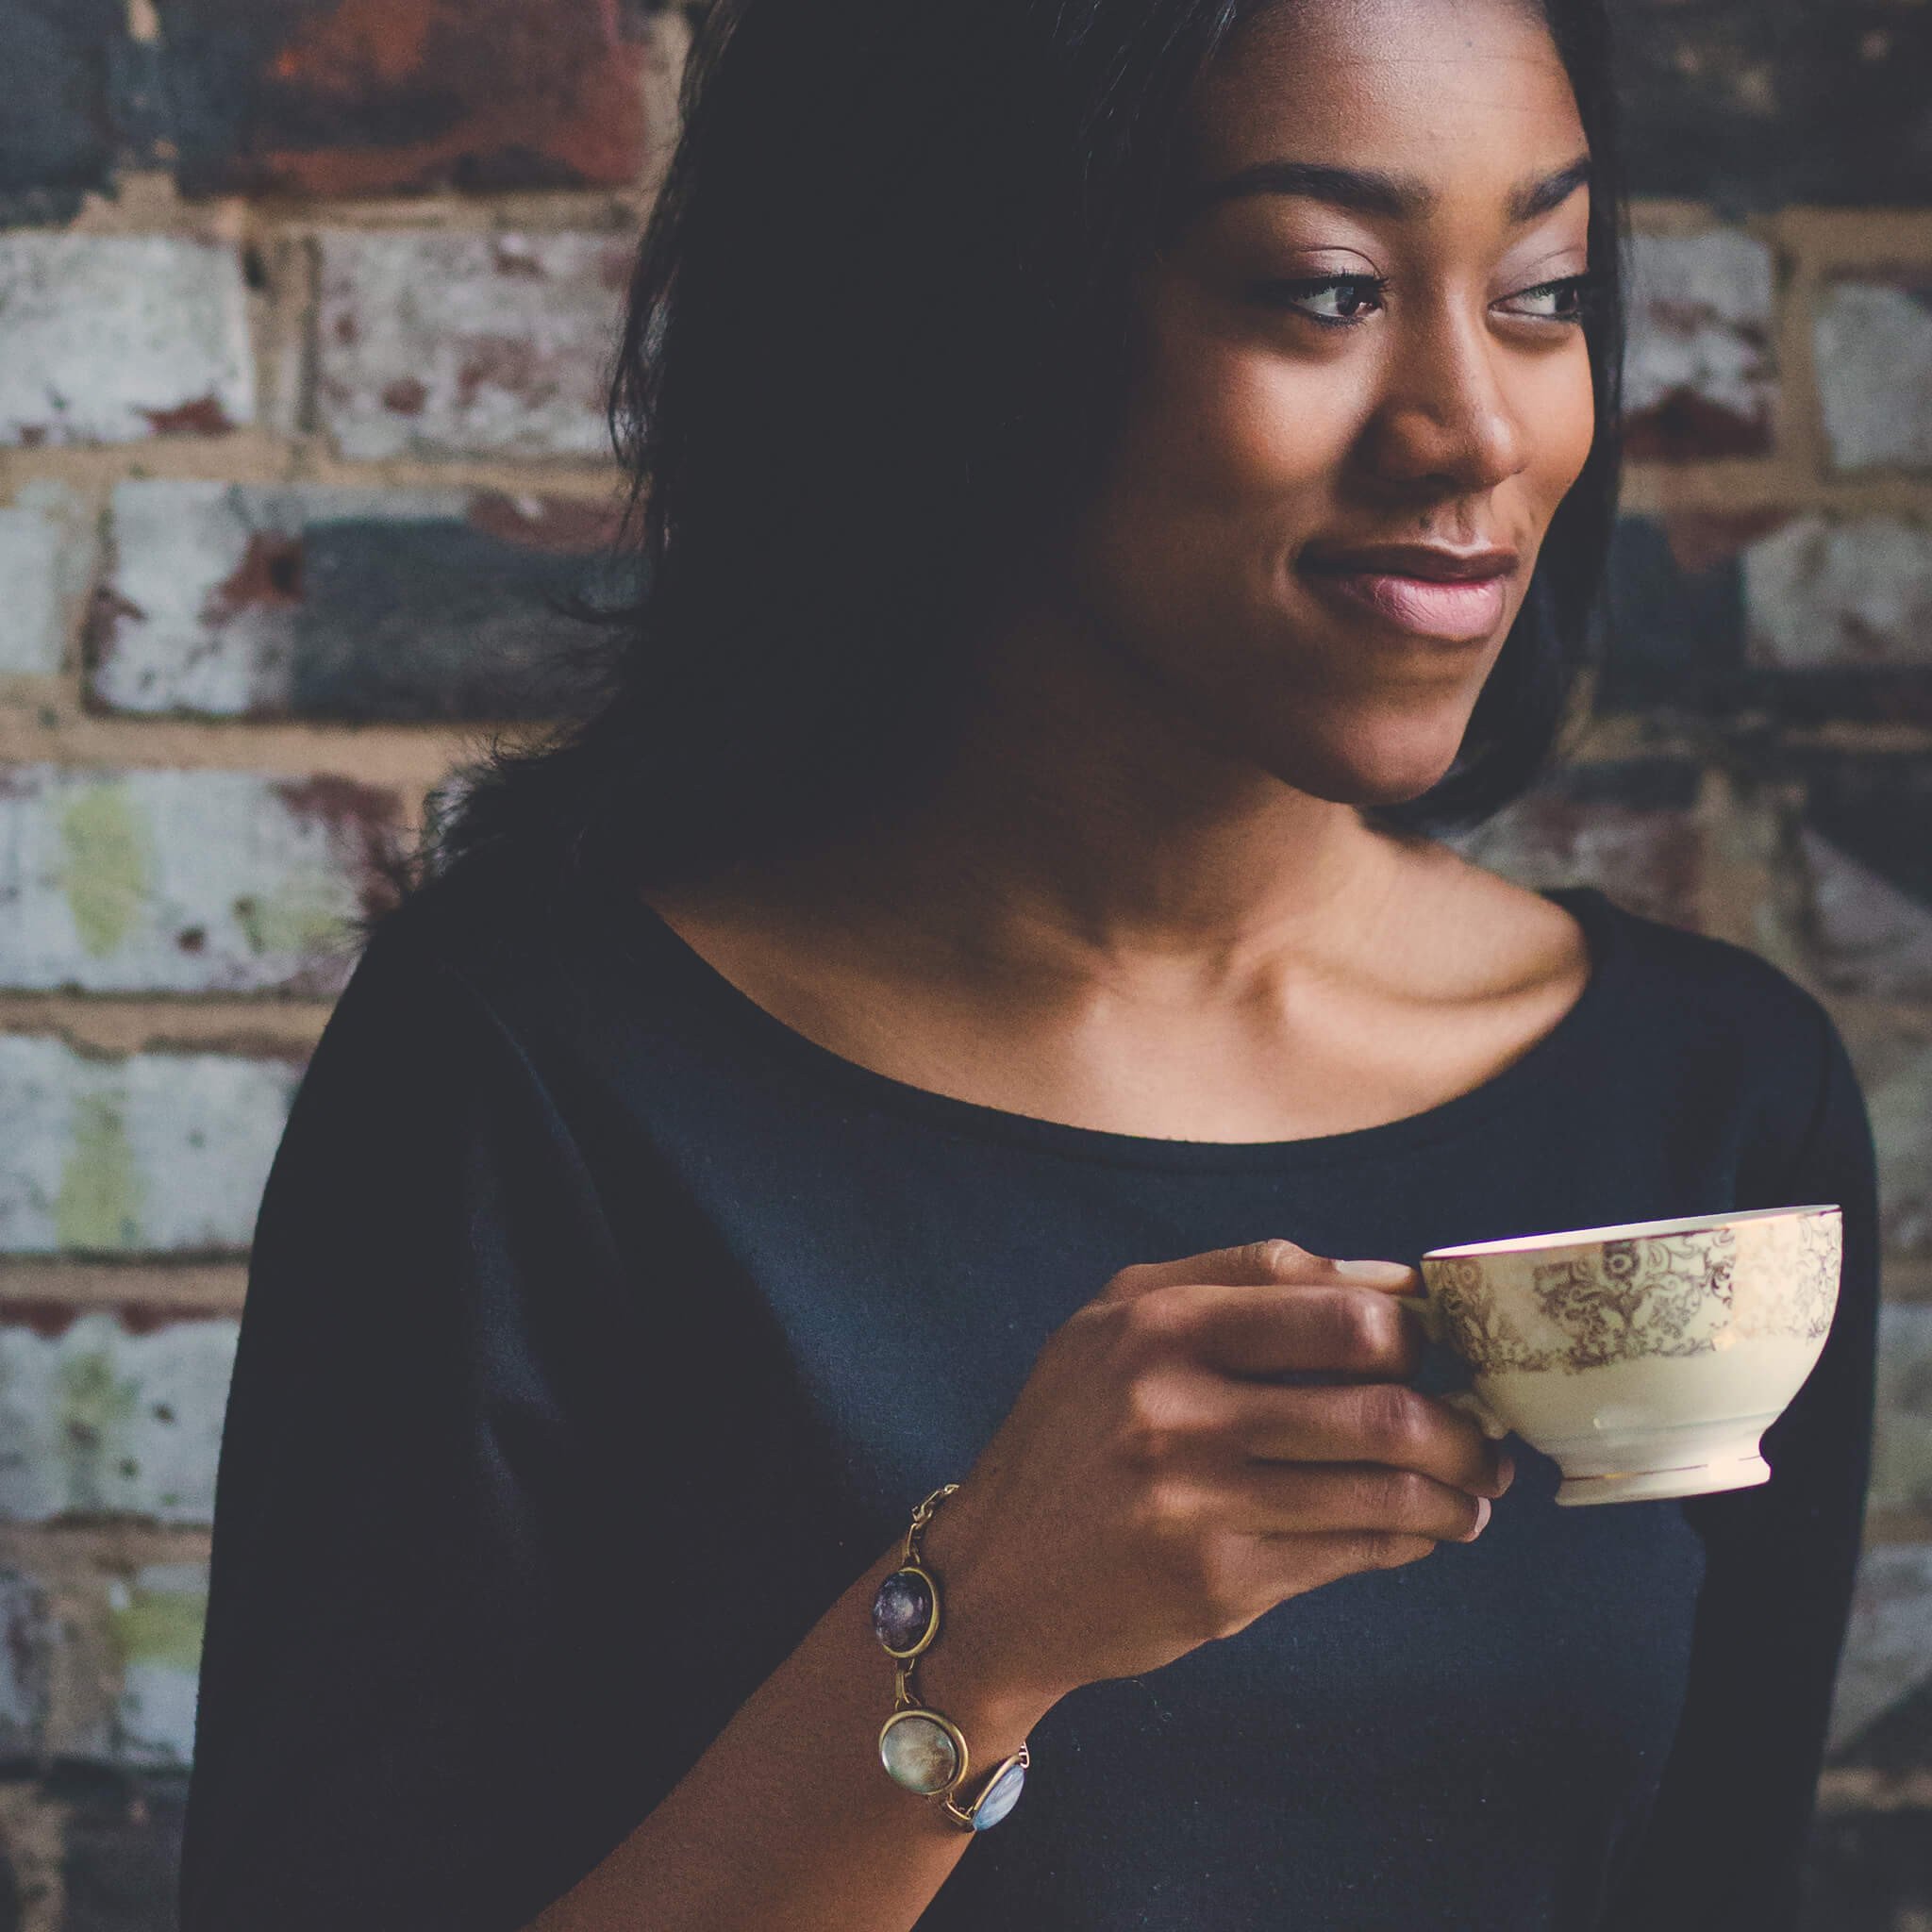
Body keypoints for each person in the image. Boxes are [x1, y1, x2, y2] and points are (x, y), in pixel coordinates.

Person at [176, 0, 1879, 1926]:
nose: (1475, 427)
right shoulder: (533, 1075)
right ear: (973, 313)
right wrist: (972, 1627)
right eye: (1322, 291)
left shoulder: (1711, 1101)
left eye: (1542, 291)